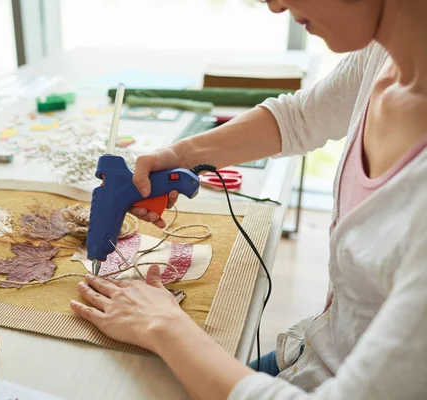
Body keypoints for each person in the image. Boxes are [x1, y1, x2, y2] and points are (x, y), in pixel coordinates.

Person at [69, 0, 427, 398]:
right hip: (310, 355)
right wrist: (180, 156)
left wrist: (164, 326)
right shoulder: (384, 55)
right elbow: (299, 118)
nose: (274, 5)